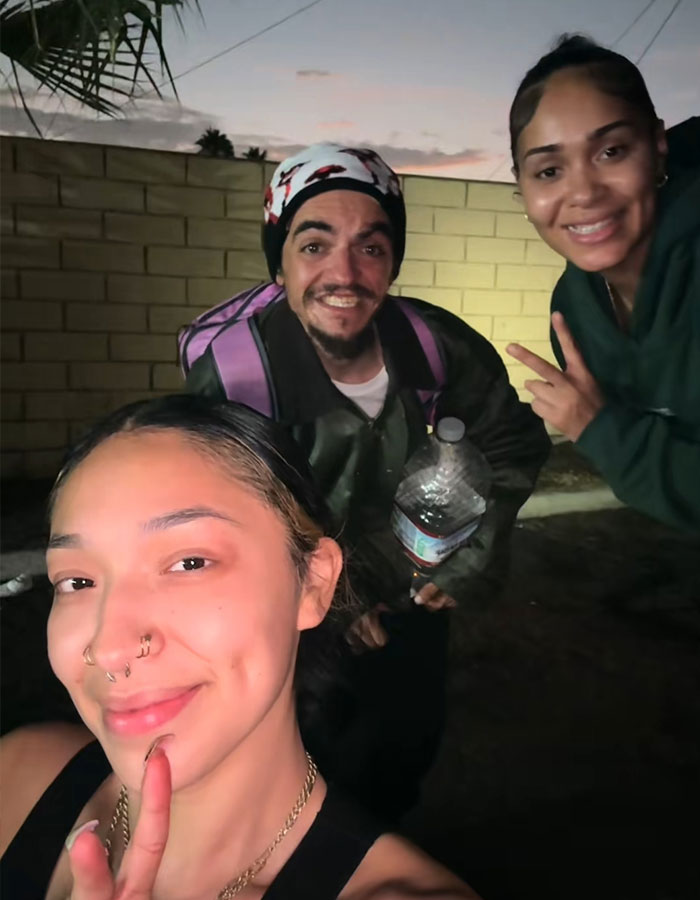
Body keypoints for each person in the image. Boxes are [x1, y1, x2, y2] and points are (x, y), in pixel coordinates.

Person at [183, 144, 550, 817]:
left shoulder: (436, 346)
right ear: (280, 260)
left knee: (396, 758)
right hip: (291, 622)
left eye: (371, 248)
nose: (344, 274)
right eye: (314, 245)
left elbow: (510, 441)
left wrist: (462, 563)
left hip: (414, 598)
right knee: (291, 777)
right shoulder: (239, 374)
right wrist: (335, 610)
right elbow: (224, 521)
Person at [0, 394, 481, 900]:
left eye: (189, 563)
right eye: (76, 581)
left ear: (313, 583)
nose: (112, 647)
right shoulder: (17, 778)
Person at [505, 34, 700, 530]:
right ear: (522, 188)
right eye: (548, 170)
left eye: (611, 151)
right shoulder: (573, 313)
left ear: (657, 147)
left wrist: (600, 429)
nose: (584, 192)